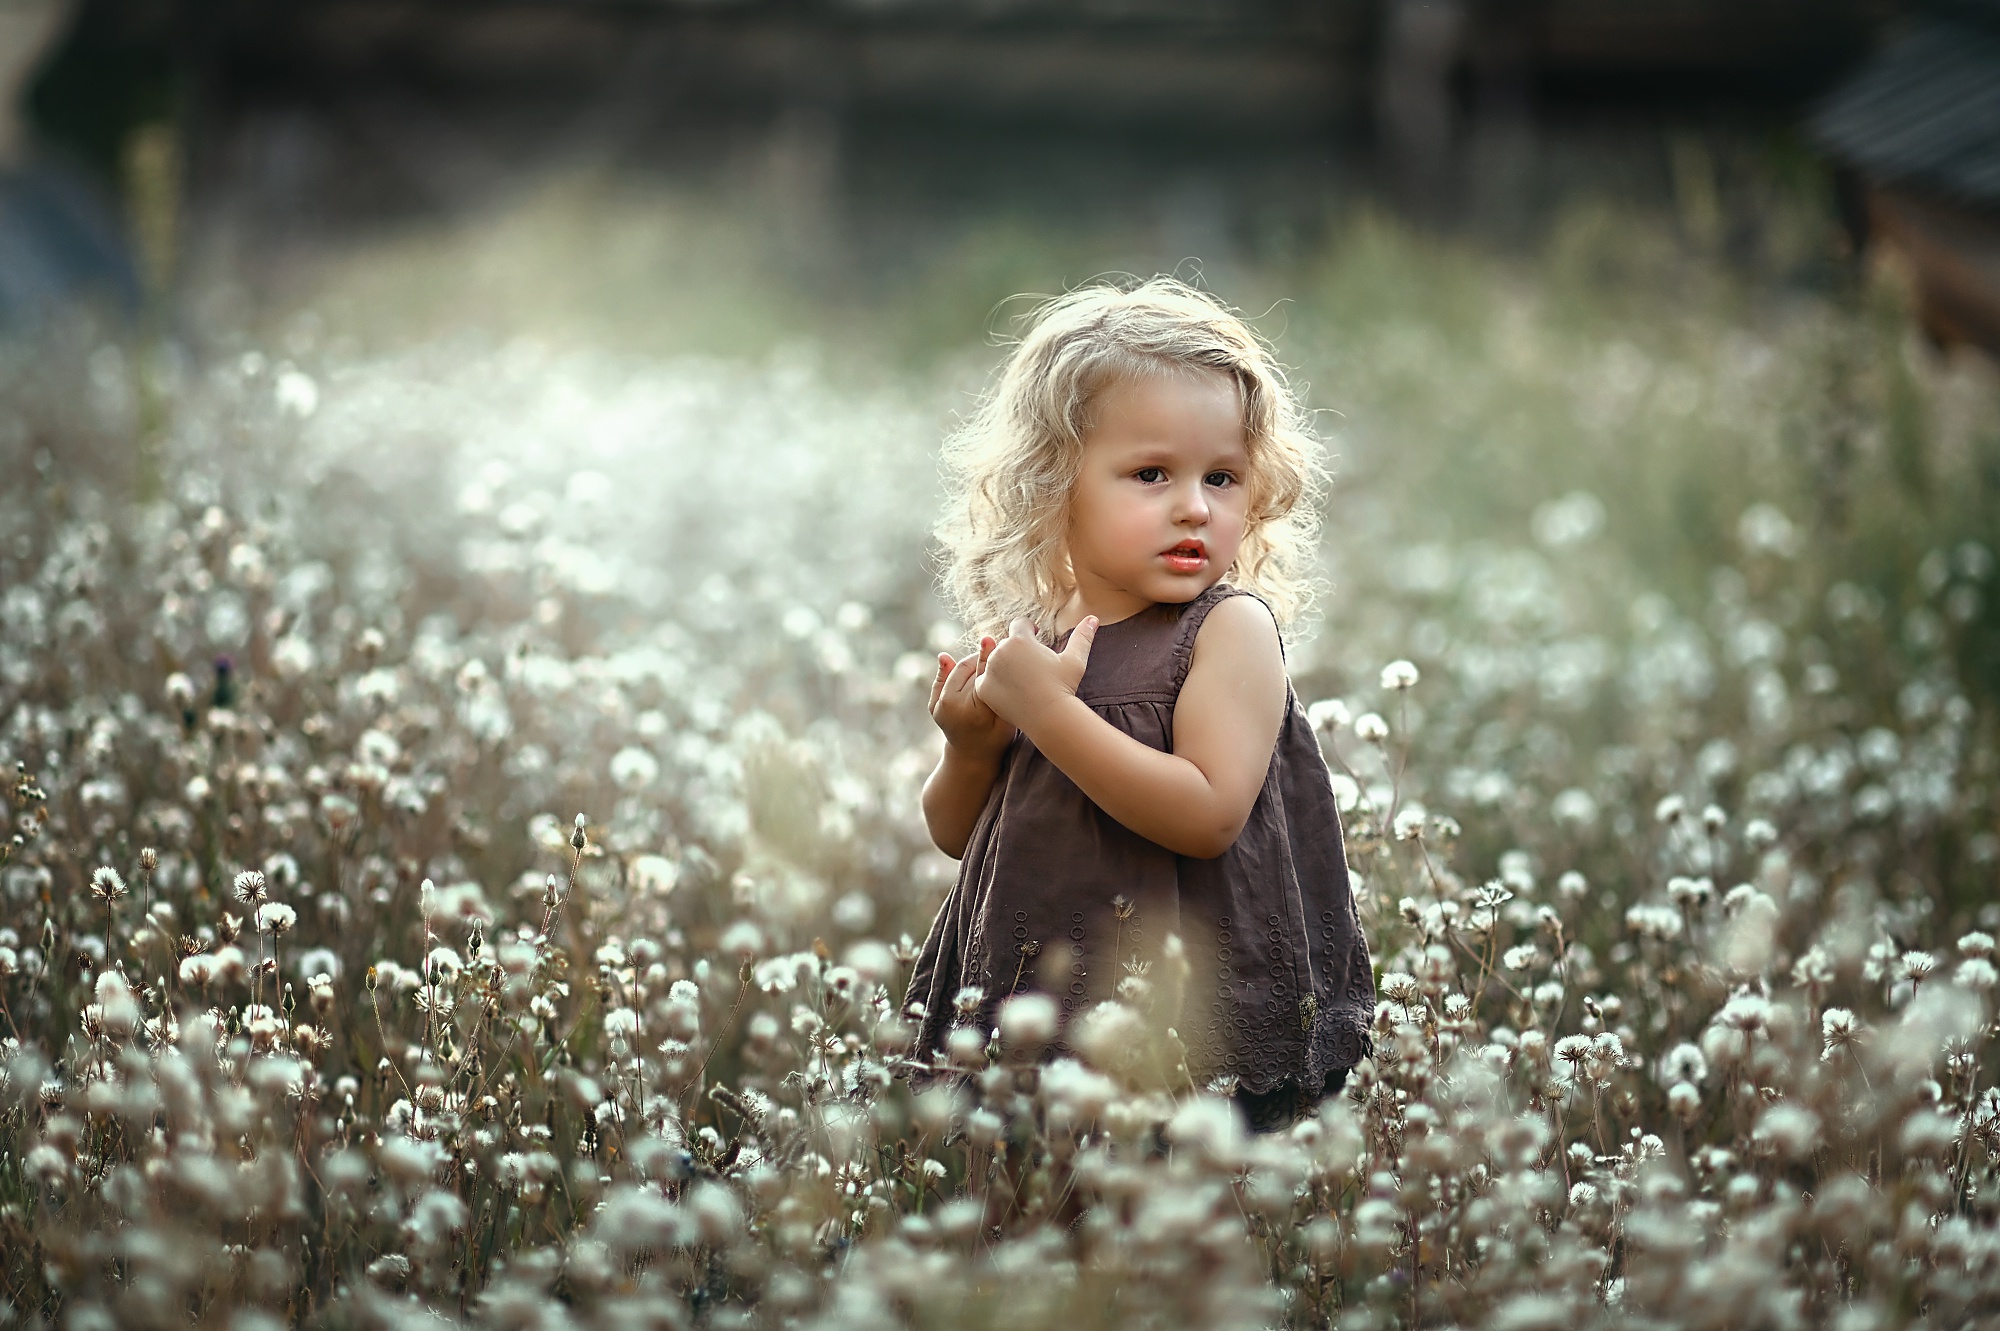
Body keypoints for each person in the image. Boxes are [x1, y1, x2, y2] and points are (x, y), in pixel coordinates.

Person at [906, 276, 1375, 1132]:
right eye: (1151, 473)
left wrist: (1050, 714)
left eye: (1224, 477)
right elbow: (955, 835)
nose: (1195, 505)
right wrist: (970, 749)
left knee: (1191, 1225)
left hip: (1197, 1021)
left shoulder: (1229, 631)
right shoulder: (1039, 642)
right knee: (1047, 1226)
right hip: (1045, 1003)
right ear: (1053, 485)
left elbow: (1206, 814)